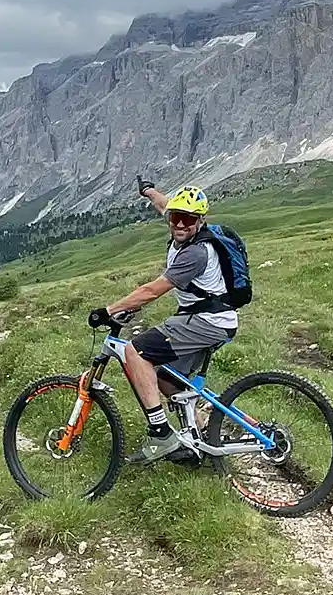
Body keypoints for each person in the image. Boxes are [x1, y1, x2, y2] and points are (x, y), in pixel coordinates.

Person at [89, 178, 237, 464]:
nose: (180, 225)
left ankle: (160, 433)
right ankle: (200, 437)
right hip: (208, 319)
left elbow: (152, 290)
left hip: (207, 321)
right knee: (167, 382)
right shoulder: (180, 223)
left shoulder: (195, 252)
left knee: (136, 352)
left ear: (201, 221)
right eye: (176, 218)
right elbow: (163, 203)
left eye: (188, 220)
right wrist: (148, 191)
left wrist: (109, 310)